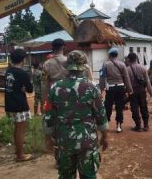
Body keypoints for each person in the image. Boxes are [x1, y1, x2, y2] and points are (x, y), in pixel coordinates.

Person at [43, 50, 108, 179]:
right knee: (88, 176)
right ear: (84, 67)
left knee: (66, 176)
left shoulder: (55, 87)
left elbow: (49, 115)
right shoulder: (92, 87)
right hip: (87, 142)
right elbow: (101, 115)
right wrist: (105, 136)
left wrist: (47, 138)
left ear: (67, 67)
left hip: (64, 141)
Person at [5, 48, 34, 162]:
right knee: (21, 129)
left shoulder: (9, 71)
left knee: (17, 129)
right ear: (23, 60)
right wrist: (23, 88)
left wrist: (21, 87)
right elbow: (30, 90)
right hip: (19, 105)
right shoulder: (22, 73)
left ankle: (18, 152)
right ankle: (20, 155)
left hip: (10, 103)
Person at [99, 47, 133, 133]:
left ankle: (106, 125)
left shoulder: (105, 64)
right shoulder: (122, 64)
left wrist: (101, 89)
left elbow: (102, 78)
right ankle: (119, 126)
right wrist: (129, 89)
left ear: (110, 55)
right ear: (117, 55)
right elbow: (127, 77)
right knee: (119, 107)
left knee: (108, 106)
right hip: (120, 88)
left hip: (110, 88)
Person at [127, 52, 152, 132]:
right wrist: (150, 92)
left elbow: (127, 83)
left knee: (134, 108)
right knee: (144, 107)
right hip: (142, 90)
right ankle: (146, 125)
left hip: (132, 91)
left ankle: (138, 126)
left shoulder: (127, 69)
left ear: (128, 59)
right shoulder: (143, 68)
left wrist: (127, 92)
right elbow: (148, 81)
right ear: (136, 58)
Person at [42, 38, 68, 110]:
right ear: (64, 47)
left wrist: (44, 100)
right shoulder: (70, 61)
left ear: (52, 48)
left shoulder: (46, 64)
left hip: (54, 93)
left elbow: (44, 82)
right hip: (69, 92)